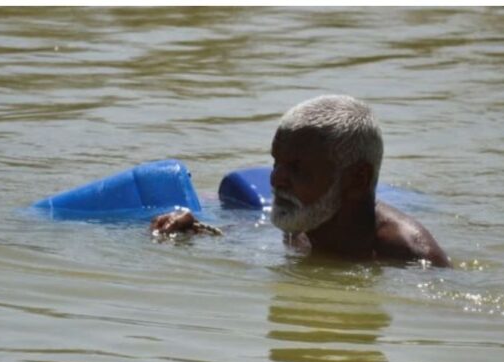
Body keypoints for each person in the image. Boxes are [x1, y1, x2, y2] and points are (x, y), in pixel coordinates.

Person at [151, 95, 450, 267]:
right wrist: (196, 232)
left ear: (357, 180)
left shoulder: (412, 257)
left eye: (296, 167)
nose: (276, 178)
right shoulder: (303, 221)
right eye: (276, 162)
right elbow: (254, 234)